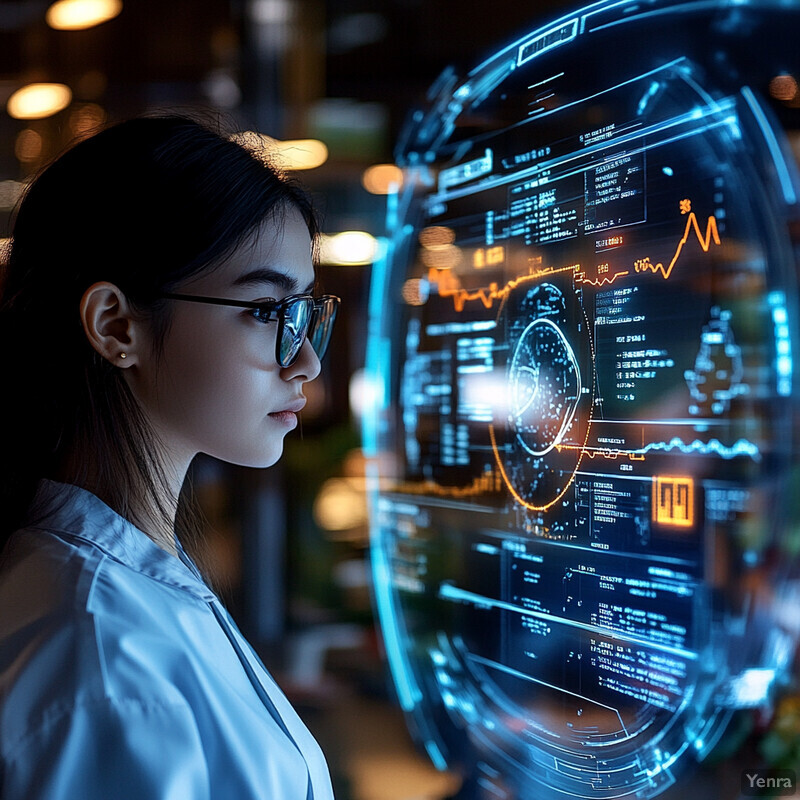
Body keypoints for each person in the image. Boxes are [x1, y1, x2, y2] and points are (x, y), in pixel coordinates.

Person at [0, 114, 339, 799]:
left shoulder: (132, 576)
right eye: (269, 312)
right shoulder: (100, 658)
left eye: (305, 315)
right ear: (115, 326)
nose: (304, 361)